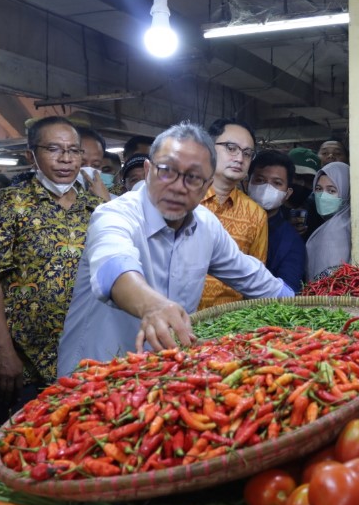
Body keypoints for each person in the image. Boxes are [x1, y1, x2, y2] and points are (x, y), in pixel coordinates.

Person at [57, 122, 294, 376]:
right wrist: (152, 305)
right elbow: (114, 266)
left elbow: (253, 277)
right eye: (167, 171)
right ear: (148, 170)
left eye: (192, 177)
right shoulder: (115, 215)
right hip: (95, 376)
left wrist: (304, 307)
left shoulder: (206, 226)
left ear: (206, 185)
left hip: (162, 377)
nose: (178, 187)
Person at [0, 116, 103, 423]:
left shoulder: (96, 209)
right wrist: (3, 351)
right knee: (20, 447)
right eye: (54, 149)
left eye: (74, 150)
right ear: (31, 155)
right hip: (21, 363)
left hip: (81, 360)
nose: (66, 158)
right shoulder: (8, 204)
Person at [198, 118, 268, 309]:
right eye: (231, 148)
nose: (239, 158)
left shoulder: (256, 215)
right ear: (209, 148)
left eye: (247, 153)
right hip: (177, 319)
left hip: (228, 328)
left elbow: (255, 280)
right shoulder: (186, 199)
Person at [247, 149, 306, 292]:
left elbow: (288, 289)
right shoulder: (224, 222)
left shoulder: (291, 241)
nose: (267, 187)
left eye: (277, 183)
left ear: (287, 194)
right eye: (260, 180)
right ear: (246, 182)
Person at [305, 162, 351, 281]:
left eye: (331, 191)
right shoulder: (344, 223)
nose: (322, 196)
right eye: (319, 189)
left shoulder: (334, 231)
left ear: (346, 192)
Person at [287, 147, 319, 238]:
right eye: (297, 177)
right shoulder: (269, 208)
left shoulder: (317, 212)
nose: (302, 183)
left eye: (309, 180)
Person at [76, 126, 112, 201]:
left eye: (95, 165)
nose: (87, 171)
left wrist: (104, 201)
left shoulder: (113, 201)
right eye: (82, 164)